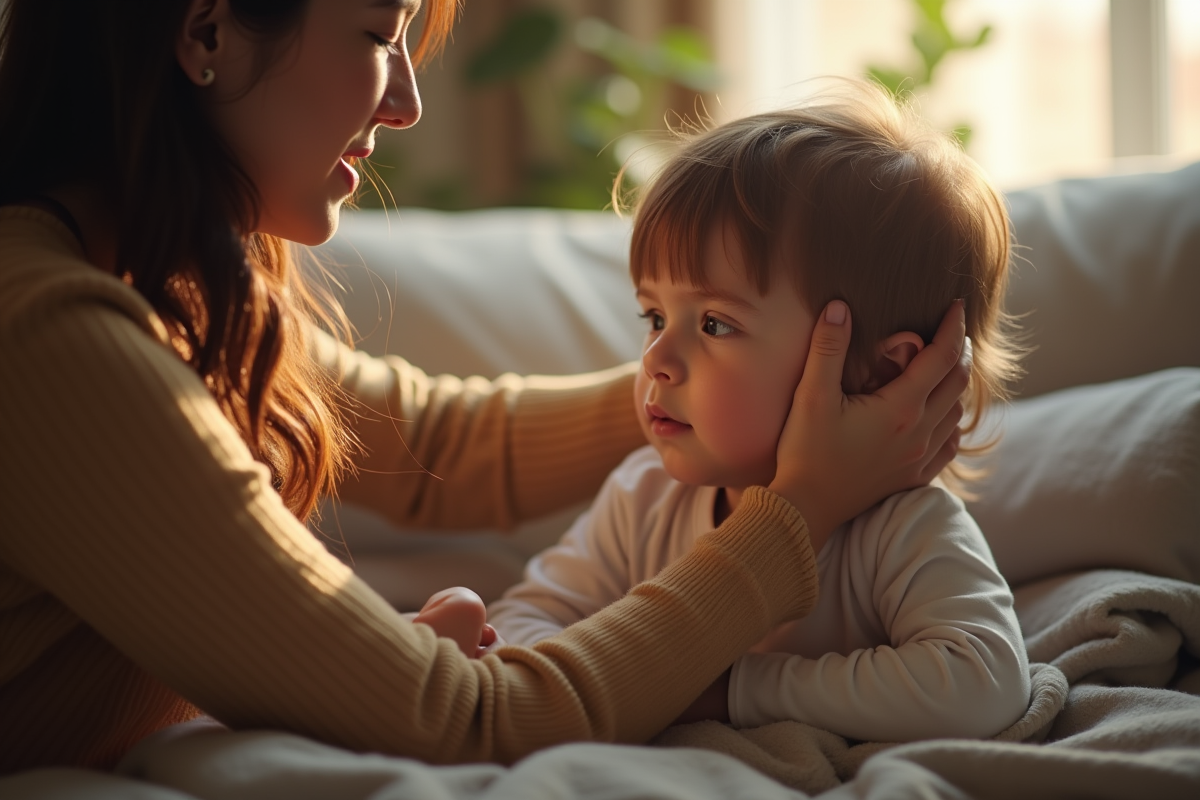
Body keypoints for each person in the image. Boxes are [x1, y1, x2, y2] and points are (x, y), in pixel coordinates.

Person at [0, 0, 969, 775]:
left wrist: (742, 393)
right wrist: (795, 510)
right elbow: (468, 721)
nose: (408, 102)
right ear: (206, 31)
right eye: (382, 34)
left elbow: (442, 447)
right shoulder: (50, 339)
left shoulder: (160, 287)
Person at [488, 82, 1031, 742]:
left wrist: (735, 691)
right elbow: (523, 624)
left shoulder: (901, 530)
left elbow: (983, 683)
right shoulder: (642, 498)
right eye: (654, 316)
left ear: (887, 372)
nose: (656, 358)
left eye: (714, 324)